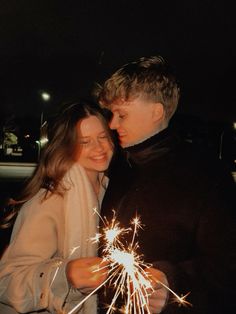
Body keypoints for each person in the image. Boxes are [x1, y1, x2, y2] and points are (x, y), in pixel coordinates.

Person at [95, 56, 236, 314]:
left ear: (156, 112)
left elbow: (227, 267)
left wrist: (173, 284)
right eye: (112, 114)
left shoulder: (205, 175)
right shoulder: (115, 167)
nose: (112, 124)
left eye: (121, 114)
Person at [0, 101, 114, 314]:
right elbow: (6, 281)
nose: (99, 148)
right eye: (85, 142)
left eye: (103, 137)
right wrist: (64, 275)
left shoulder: (111, 190)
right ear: (67, 147)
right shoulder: (49, 202)